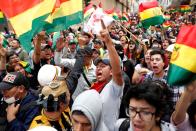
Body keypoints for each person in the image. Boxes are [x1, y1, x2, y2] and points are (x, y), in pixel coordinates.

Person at [91, 20, 124, 131]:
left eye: (103, 66)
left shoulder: (113, 88)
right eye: (97, 66)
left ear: (111, 71)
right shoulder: (94, 86)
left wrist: (108, 42)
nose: (98, 68)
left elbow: (118, 73)